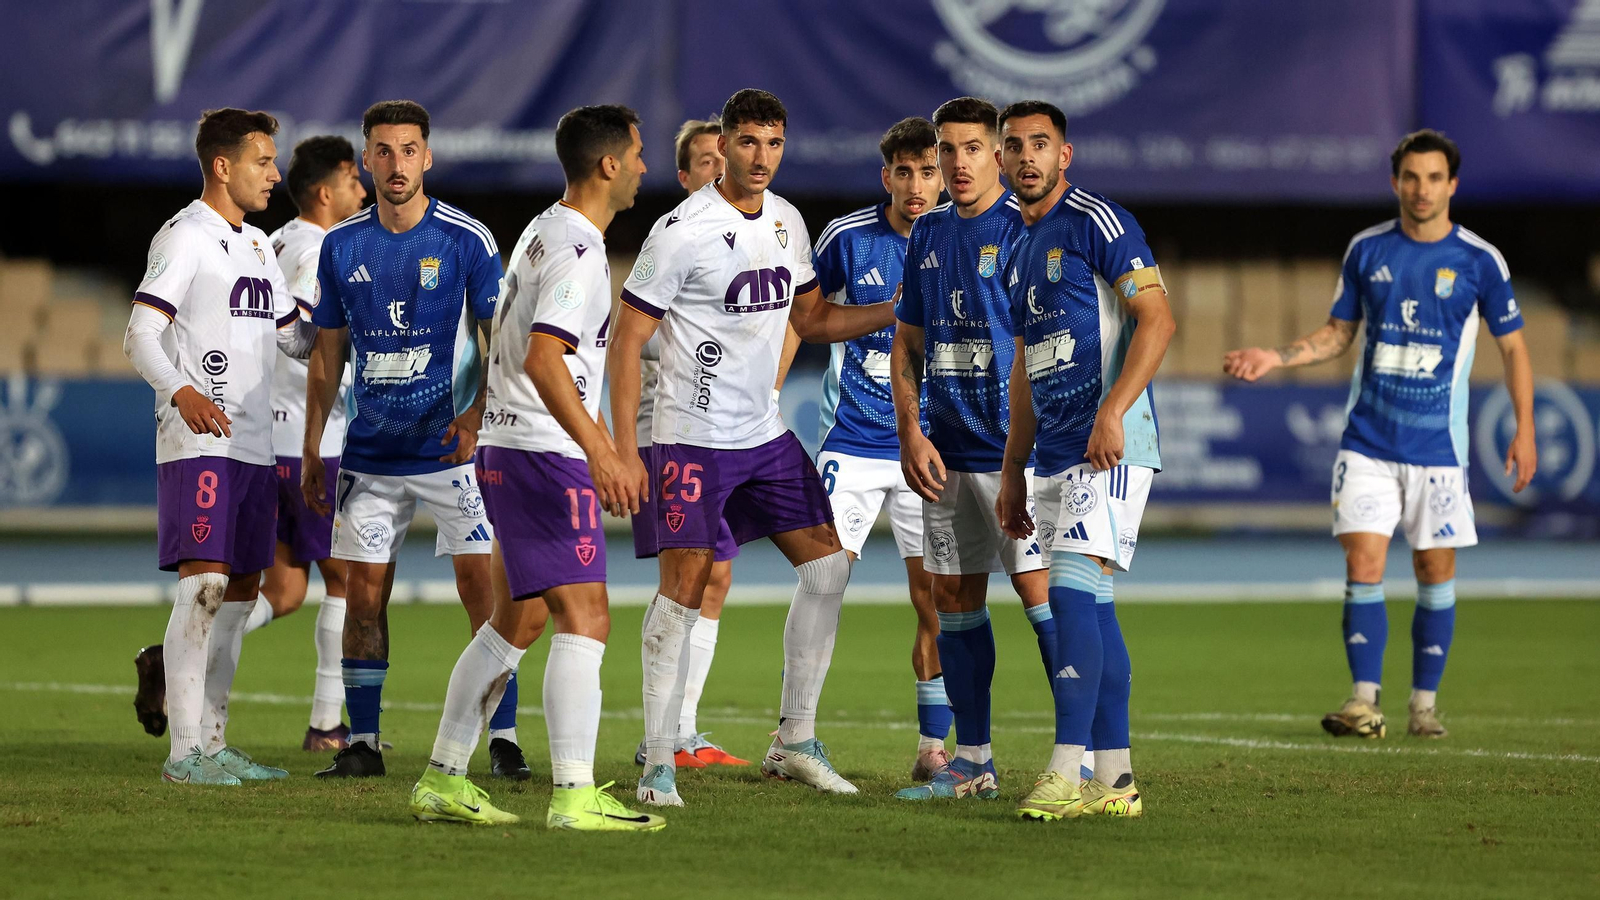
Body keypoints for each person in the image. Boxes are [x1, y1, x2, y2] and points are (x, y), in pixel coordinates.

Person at [610, 88, 895, 807]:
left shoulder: (789, 221)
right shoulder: (681, 231)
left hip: (762, 433)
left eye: (773, 143)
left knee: (828, 567)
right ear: (725, 146)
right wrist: (621, 449)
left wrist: (899, 308)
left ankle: (793, 741)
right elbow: (628, 339)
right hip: (690, 441)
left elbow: (814, 317)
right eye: (748, 143)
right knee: (684, 592)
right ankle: (656, 761)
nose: (761, 157)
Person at [1224, 129, 1537, 740]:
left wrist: (1524, 429)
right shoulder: (1367, 250)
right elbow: (1339, 332)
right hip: (1367, 441)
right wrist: (1278, 356)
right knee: (1364, 561)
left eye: (1434, 178)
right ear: (1396, 182)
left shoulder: (1480, 261)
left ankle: (1424, 704)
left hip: (1438, 451)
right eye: (1411, 178)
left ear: (1452, 185)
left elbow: (1515, 348)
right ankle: (1363, 700)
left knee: (1433, 571)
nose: (1422, 189)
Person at [409, 105, 665, 830]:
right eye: (638, 153)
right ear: (608, 165)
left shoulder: (541, 231)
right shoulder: (580, 252)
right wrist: (603, 450)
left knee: (510, 625)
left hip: (509, 445)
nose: (644, 166)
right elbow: (543, 357)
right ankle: (574, 796)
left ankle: (442, 777)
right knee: (586, 618)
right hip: (542, 454)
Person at [303, 100, 525, 779]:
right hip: (369, 455)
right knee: (362, 596)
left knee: (482, 595)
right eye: (383, 151)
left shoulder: (467, 239)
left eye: (408, 150)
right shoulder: (342, 245)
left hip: (451, 452)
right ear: (366, 161)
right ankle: (363, 745)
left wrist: (478, 415)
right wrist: (316, 447)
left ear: (427, 157)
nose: (396, 164)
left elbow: (503, 342)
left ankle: (504, 737)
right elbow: (325, 354)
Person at [130, 138, 367, 751]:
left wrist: (360, 326)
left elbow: (295, 338)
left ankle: (213, 742)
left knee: (245, 595)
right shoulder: (184, 235)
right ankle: (191, 754)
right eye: (262, 162)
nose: (274, 173)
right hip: (204, 439)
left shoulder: (261, 243)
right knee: (206, 586)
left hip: (260, 448)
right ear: (222, 165)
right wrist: (181, 390)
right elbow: (140, 333)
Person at [995, 100, 1174, 821]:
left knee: (1068, 593)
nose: (1027, 156)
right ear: (1003, 160)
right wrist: (1014, 466)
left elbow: (1157, 317)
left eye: (1041, 143)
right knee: (1093, 610)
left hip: (1111, 444)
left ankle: (1065, 772)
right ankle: (1118, 781)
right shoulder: (1013, 247)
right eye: (1015, 146)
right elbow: (1024, 369)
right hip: (1054, 451)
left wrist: (1113, 411)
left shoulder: (1101, 222)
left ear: (1064, 156)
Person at [888, 97, 1057, 802]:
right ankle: (973, 760)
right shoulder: (927, 235)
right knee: (954, 598)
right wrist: (910, 429)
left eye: (970, 150)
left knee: (1047, 598)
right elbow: (907, 345)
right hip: (948, 451)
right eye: (946, 151)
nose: (956, 164)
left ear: (998, 154)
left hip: (1018, 455)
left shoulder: (1023, 231)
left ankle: (1084, 753)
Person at [810, 116, 949, 781]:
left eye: (929, 172)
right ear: (885, 174)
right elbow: (803, 320)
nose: (917, 186)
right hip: (857, 440)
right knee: (822, 581)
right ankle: (795, 736)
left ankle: (934, 746)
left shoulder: (966, 240)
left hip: (932, 447)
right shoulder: (845, 239)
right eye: (905, 171)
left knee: (936, 596)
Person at [629, 118, 750, 769]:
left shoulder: (740, 242)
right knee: (691, 578)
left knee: (712, 577)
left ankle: (680, 732)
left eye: (721, 158)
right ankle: (668, 737)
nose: (716, 170)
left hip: (721, 437)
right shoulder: (673, 243)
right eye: (705, 161)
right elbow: (632, 340)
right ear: (684, 175)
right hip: (673, 435)